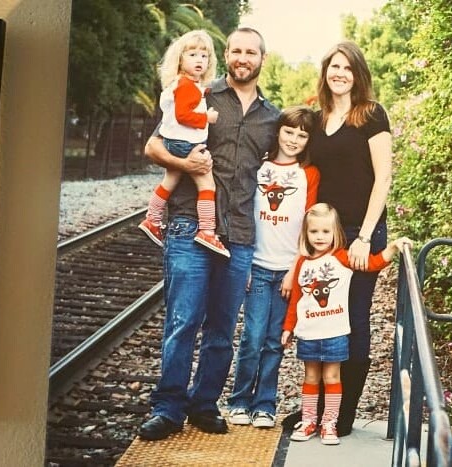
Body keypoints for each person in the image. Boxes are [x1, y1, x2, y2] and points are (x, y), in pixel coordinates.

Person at [138, 27, 280, 441]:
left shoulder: (272, 117)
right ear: (227, 55)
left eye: (250, 52)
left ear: (261, 59)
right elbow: (153, 147)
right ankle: (167, 408)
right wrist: (188, 167)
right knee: (183, 322)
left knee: (221, 328)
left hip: (238, 234)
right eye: (235, 50)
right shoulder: (199, 94)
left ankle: (204, 404)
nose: (242, 57)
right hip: (188, 225)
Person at [282, 40, 394, 437]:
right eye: (334, 66)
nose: (340, 73)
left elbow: (383, 178)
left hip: (361, 233)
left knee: (354, 320)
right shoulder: (318, 117)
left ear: (358, 73)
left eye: (347, 67)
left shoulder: (371, 115)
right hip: (324, 234)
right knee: (320, 317)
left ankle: (343, 414)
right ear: (326, 72)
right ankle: (319, 409)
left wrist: (364, 236)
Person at [281, 203, 411, 445]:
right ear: (306, 234)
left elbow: (372, 263)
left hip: (335, 332)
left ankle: (329, 423)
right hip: (309, 332)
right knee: (310, 378)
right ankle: (310, 420)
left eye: (325, 232)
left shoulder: (342, 257)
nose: (320, 237)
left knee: (332, 377)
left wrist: (392, 247)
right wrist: (288, 328)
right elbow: (297, 298)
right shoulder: (303, 263)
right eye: (314, 232)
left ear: (336, 233)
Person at [226, 106, 320, 429]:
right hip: (258, 265)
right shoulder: (260, 168)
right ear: (278, 131)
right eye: (289, 131)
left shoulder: (308, 175)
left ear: (308, 141)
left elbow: (310, 225)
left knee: (275, 340)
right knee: (252, 336)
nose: (294, 139)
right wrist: (245, 262)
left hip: (286, 271)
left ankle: (264, 404)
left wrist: (296, 270)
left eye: (302, 134)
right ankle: (238, 400)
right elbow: (243, 216)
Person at [138, 30, 229, 257]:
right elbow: (183, 116)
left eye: (204, 56)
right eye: (192, 54)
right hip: (187, 144)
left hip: (173, 143)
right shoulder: (186, 86)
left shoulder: (182, 83)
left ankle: (152, 219)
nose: (199, 60)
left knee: (170, 179)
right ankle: (207, 230)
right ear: (180, 58)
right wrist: (206, 118)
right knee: (207, 184)